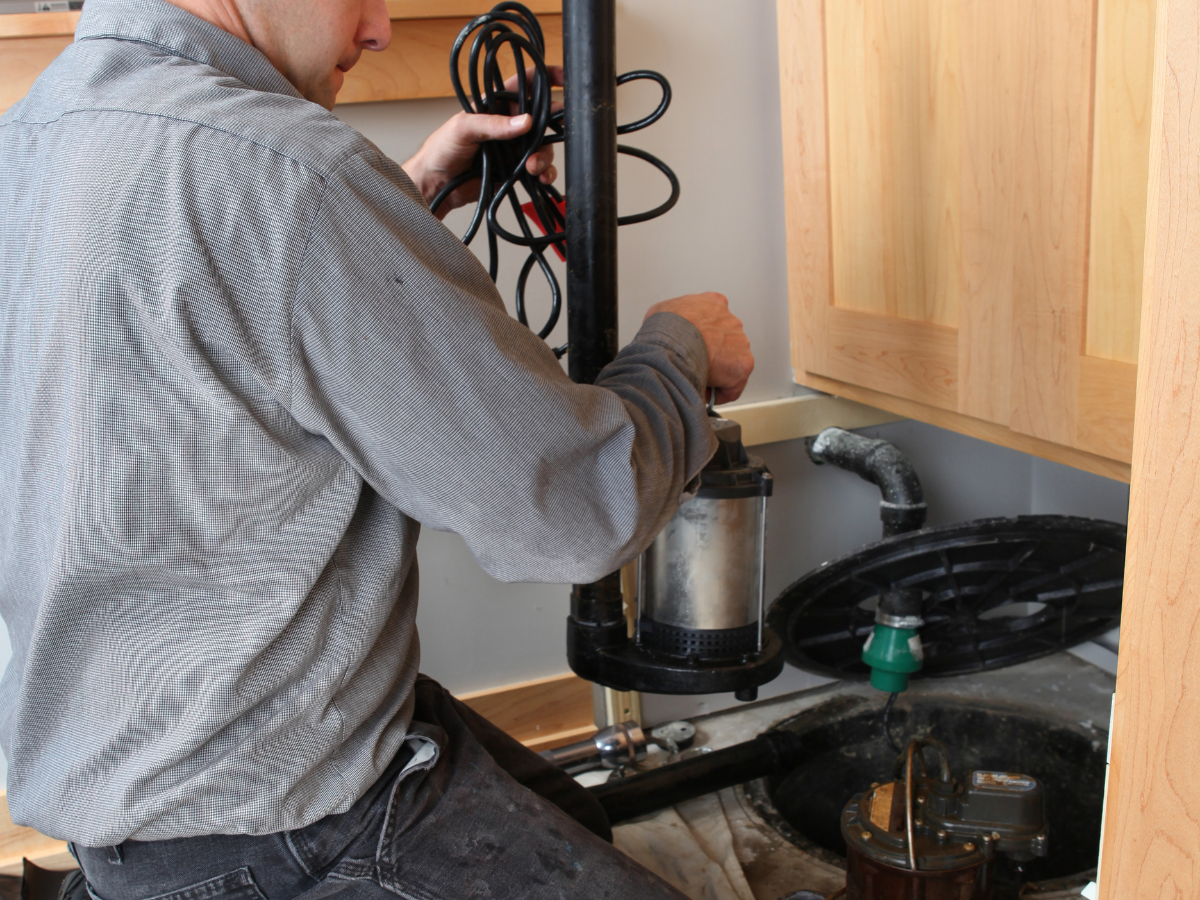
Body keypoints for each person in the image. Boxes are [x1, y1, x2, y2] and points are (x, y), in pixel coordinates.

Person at [0, 0, 755, 897]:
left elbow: (217, 311)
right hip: (286, 831)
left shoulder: (32, 136)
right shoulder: (288, 171)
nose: (380, 30)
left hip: (131, 830)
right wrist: (679, 350)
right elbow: (573, 509)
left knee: (574, 817)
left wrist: (397, 199)